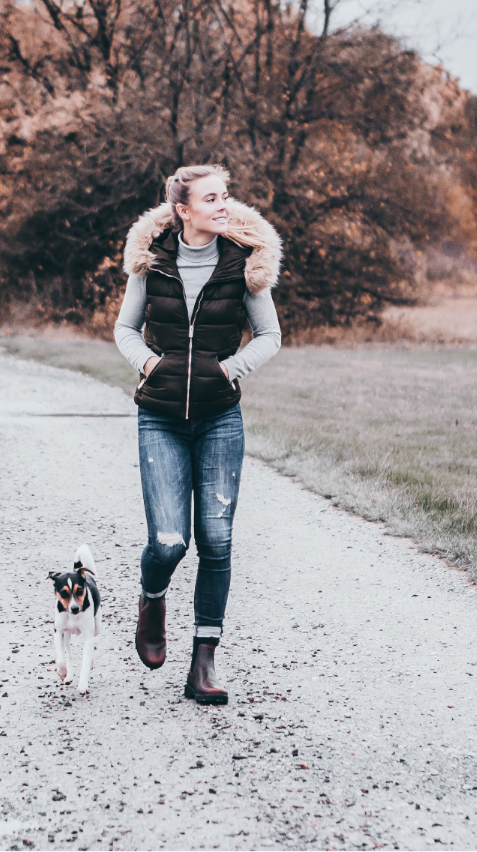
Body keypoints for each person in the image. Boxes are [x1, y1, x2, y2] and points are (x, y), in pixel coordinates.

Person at [113, 164, 282, 704]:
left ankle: (203, 664)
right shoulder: (151, 261)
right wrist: (147, 366)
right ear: (183, 210)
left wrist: (229, 369)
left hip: (219, 419)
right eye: (211, 198)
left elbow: (271, 335)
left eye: (225, 196)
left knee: (217, 540)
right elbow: (125, 328)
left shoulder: (242, 264)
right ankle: (153, 596)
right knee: (168, 541)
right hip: (159, 416)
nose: (223, 205)